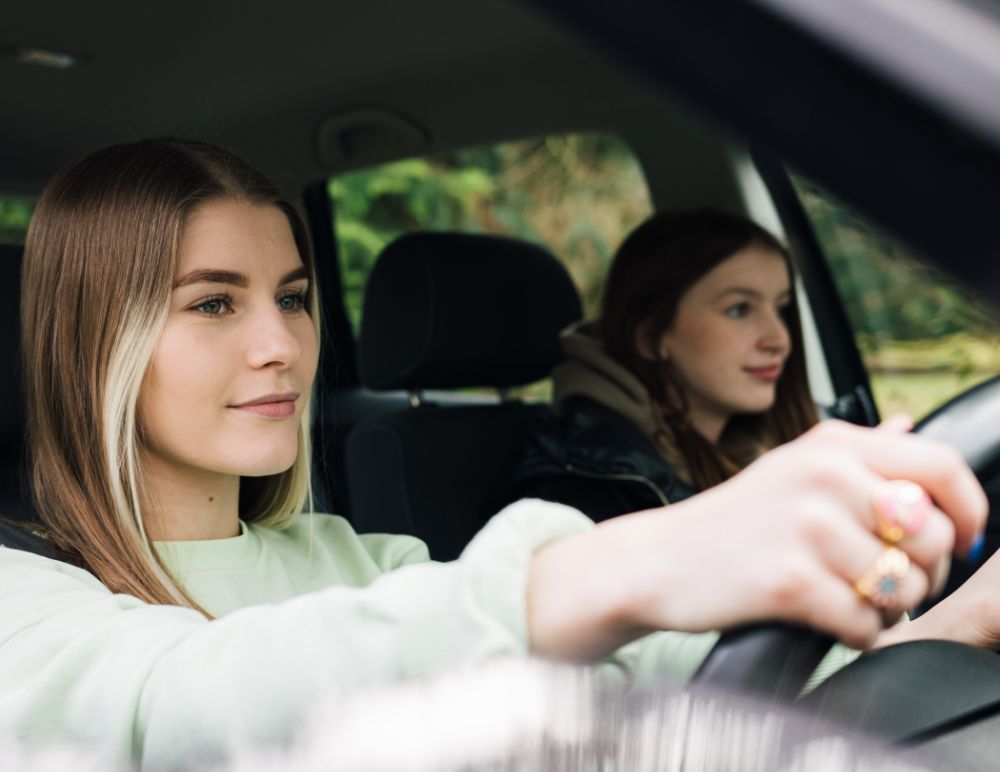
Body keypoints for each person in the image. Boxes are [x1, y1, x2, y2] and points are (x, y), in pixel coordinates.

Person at [0, 139, 990, 770]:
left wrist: (954, 622)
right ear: (97, 340)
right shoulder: (25, 595)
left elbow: (678, 683)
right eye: (215, 302)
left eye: (294, 297)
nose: (281, 343)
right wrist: (643, 557)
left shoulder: (357, 559)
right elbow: (165, 715)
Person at [503, 208, 818, 521]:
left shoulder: (780, 445)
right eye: (739, 309)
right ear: (650, 337)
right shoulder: (584, 490)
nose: (779, 340)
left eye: (781, 309)